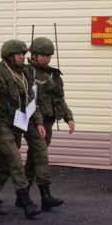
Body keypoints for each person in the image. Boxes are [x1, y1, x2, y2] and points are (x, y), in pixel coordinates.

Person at [0, 39, 45, 220]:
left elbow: (30, 99)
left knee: (4, 165)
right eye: (18, 54)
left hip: (18, 124)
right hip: (2, 124)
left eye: (23, 54)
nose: (21, 57)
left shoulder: (25, 73)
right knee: (15, 160)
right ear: (8, 56)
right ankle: (27, 201)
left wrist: (38, 122)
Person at [24, 37, 74, 210]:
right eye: (42, 55)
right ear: (34, 55)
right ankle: (46, 196)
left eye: (48, 55)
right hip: (32, 121)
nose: (45, 58)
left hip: (48, 121)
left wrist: (69, 117)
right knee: (41, 155)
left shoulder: (54, 75)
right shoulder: (28, 73)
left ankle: (22, 194)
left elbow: (60, 99)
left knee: (34, 157)